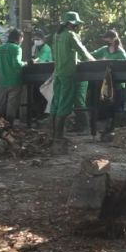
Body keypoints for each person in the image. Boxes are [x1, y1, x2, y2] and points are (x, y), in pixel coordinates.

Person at [49, 11, 95, 149]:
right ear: (71, 24)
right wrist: (96, 63)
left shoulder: (57, 35)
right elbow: (82, 51)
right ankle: (58, 136)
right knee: (65, 103)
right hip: (67, 74)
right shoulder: (71, 35)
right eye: (76, 24)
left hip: (57, 73)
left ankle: (54, 134)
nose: (78, 27)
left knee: (56, 102)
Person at [91, 30, 126, 135]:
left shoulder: (121, 53)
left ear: (113, 39)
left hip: (118, 86)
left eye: (107, 38)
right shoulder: (103, 50)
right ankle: (106, 128)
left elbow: (125, 68)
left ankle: (115, 129)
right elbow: (90, 55)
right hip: (106, 86)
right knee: (106, 107)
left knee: (117, 108)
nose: (105, 40)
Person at [0, 29, 26, 123]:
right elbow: (17, 64)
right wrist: (26, 63)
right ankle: (9, 127)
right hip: (14, 81)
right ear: (19, 38)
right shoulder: (16, 48)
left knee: (2, 104)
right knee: (11, 106)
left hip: (3, 81)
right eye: (22, 38)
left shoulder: (0, 48)